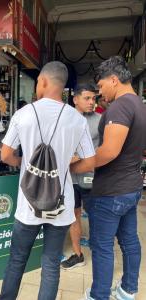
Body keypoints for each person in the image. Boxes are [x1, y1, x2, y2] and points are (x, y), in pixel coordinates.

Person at [0, 61, 95, 300]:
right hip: (61, 206)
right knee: (51, 264)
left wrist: (24, 165)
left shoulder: (23, 114)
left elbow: (5, 154)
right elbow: (90, 161)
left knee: (17, 259)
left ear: (42, 81)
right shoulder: (77, 119)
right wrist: (64, 168)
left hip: (28, 205)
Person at [83, 56, 146, 300]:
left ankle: (99, 295)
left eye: (100, 86)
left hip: (111, 191)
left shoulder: (119, 107)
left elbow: (108, 152)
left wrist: (78, 165)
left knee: (102, 246)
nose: (99, 92)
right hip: (131, 187)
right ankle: (128, 290)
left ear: (113, 79)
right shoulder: (139, 104)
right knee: (130, 240)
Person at [61, 83, 101, 270]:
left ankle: (101, 252)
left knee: (96, 215)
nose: (91, 102)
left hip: (92, 177)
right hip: (70, 178)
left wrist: (84, 156)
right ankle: (78, 255)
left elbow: (107, 149)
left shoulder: (100, 120)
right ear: (75, 99)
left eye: (94, 98)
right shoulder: (64, 119)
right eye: (87, 98)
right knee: (74, 214)